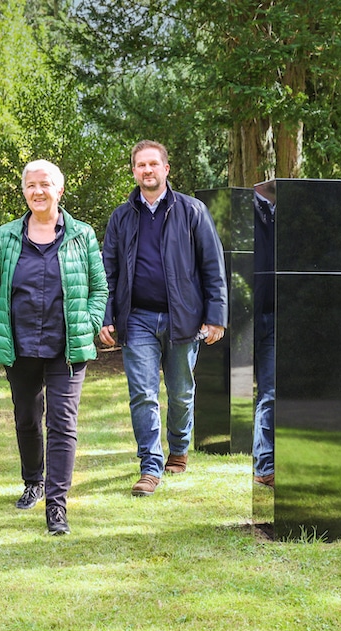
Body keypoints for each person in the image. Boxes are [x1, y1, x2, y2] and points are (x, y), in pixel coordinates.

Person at [0, 160, 108, 535]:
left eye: (45, 185)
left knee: (63, 423)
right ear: (24, 192)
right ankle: (32, 480)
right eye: (31, 185)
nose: (38, 191)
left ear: (59, 190)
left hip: (66, 346)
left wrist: (91, 322)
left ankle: (56, 505)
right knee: (26, 418)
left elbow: (99, 288)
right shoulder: (6, 236)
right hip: (18, 345)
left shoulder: (81, 235)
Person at [99, 140, 228, 496]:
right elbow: (107, 270)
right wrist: (106, 315)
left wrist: (215, 316)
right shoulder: (122, 216)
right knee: (143, 393)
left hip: (182, 318)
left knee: (181, 392)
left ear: (166, 169)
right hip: (136, 318)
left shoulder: (192, 211)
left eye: (153, 164)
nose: (147, 170)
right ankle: (150, 466)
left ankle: (180, 448)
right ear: (134, 171)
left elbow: (212, 267)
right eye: (141, 165)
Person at [252, 180, 276, 487]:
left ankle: (265, 464)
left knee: (270, 391)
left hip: (276, 314)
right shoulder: (244, 211)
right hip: (244, 315)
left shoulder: (284, 214)